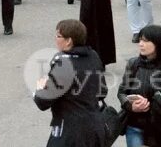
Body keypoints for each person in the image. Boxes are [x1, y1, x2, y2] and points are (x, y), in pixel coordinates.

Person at [33, 18, 107, 146]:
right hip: (95, 128)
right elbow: (102, 91)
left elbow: (43, 102)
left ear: (68, 41)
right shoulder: (93, 56)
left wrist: (40, 89)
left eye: (58, 36)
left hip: (70, 133)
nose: (55, 39)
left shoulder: (64, 65)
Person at [118, 24, 161, 147]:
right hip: (134, 125)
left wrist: (149, 104)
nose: (141, 44)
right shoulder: (133, 64)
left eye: (146, 40)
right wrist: (130, 106)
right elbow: (122, 92)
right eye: (140, 40)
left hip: (160, 129)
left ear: (158, 43)